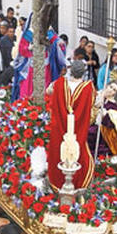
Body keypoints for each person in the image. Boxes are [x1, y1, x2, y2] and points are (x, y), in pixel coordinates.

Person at [47, 60, 96, 189]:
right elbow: (92, 105)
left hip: (60, 127)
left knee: (59, 150)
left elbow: (49, 94)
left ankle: (57, 183)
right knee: (77, 151)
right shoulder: (88, 88)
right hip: (78, 128)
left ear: (71, 70)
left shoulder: (59, 84)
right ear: (84, 73)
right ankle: (76, 183)